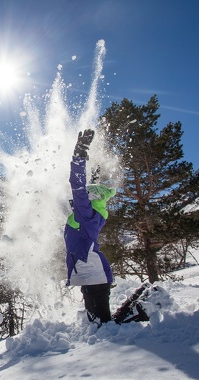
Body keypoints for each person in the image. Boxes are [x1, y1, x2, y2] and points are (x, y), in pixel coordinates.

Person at [64, 128, 116, 324]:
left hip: (93, 276)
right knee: (98, 324)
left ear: (91, 197)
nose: (82, 194)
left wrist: (79, 155)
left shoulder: (85, 214)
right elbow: (89, 191)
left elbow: (77, 186)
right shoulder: (90, 213)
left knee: (103, 324)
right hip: (90, 276)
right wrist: (93, 176)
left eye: (88, 193)